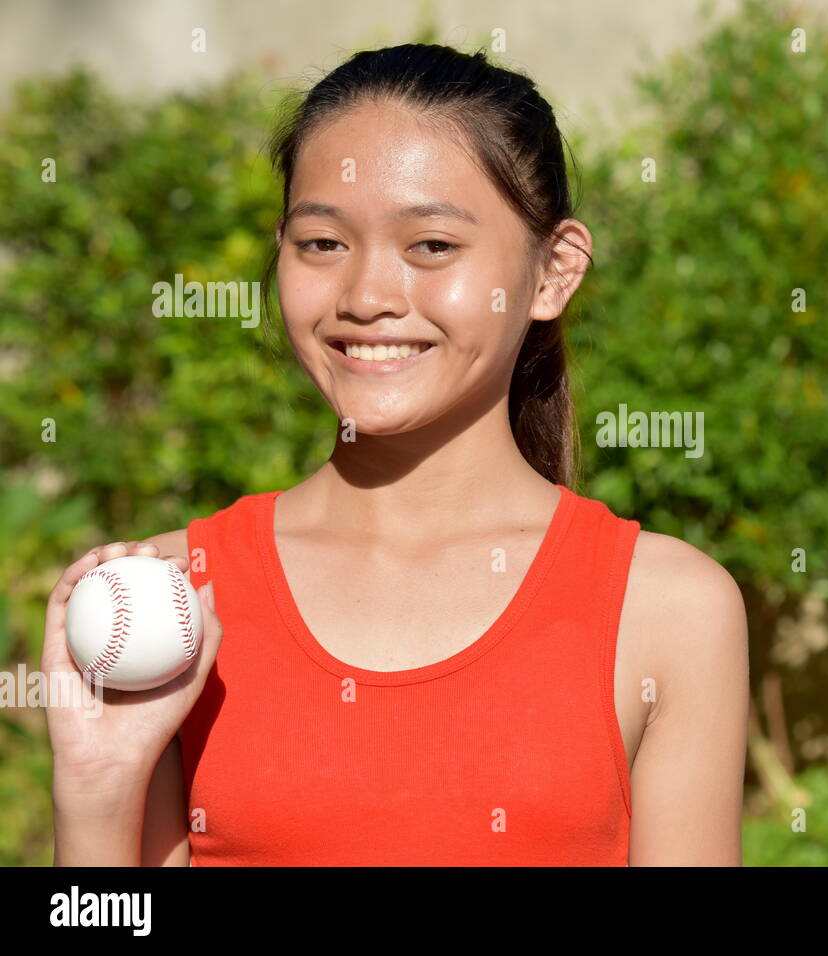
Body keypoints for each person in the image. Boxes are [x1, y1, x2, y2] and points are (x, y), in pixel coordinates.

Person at [43, 42, 749, 866]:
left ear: (554, 271)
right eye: (322, 244)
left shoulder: (668, 609)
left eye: (432, 247)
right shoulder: (173, 605)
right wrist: (95, 799)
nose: (368, 297)